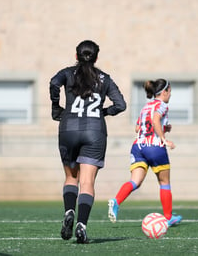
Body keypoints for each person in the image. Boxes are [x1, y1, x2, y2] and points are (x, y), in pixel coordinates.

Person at [49, 40, 126, 243]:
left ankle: (69, 211)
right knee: (87, 182)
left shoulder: (66, 73)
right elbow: (121, 105)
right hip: (94, 131)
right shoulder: (105, 79)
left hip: (68, 129)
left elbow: (53, 83)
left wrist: (56, 106)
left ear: (76, 56)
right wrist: (103, 112)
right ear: (96, 58)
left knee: (71, 178)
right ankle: (81, 224)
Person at [108, 79, 182, 227]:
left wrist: (163, 128)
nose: (170, 95)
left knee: (135, 181)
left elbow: (138, 128)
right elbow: (155, 120)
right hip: (154, 147)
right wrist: (163, 138)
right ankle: (168, 217)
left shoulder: (146, 106)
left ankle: (116, 201)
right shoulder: (162, 105)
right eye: (170, 92)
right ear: (164, 92)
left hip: (138, 146)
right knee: (164, 182)